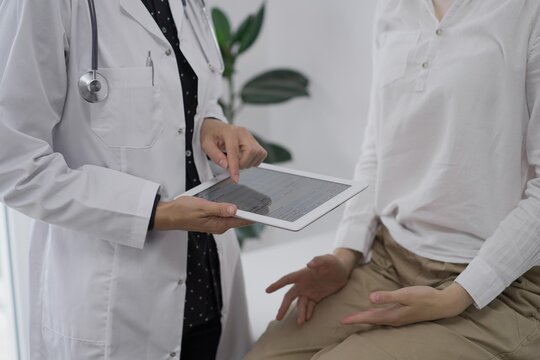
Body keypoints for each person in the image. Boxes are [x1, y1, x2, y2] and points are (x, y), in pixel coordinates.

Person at [245, 0, 540, 359]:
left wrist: (455, 296)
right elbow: (378, 148)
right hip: (390, 261)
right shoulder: (394, 7)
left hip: (496, 288)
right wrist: (345, 254)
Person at [0, 0, 267, 359]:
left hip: (208, 284)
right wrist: (155, 212)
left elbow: (189, 95)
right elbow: (15, 164)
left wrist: (210, 124)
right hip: (115, 307)